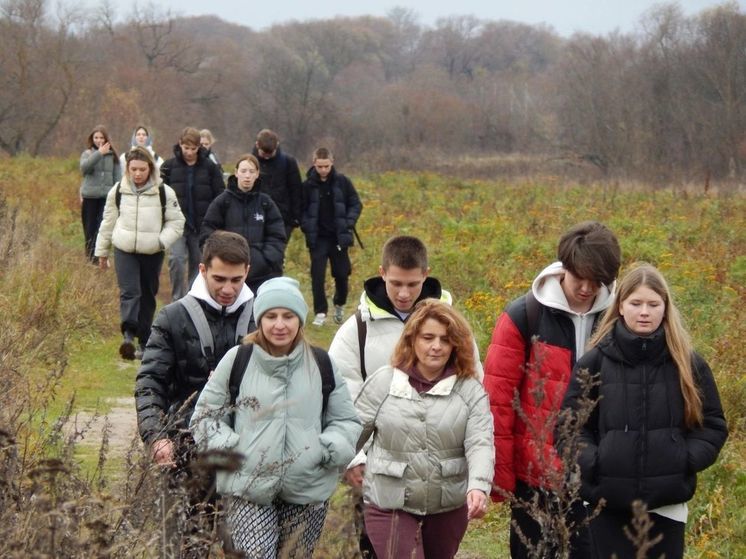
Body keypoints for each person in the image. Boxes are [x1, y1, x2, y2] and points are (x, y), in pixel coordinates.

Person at [329, 234, 484, 559]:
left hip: (442, 475)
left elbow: (473, 398)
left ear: (425, 275)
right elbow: (341, 400)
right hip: (381, 474)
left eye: (412, 284)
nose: (403, 293)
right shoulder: (356, 331)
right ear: (382, 272)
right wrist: (354, 460)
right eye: (396, 282)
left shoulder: (455, 330)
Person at [561, 263, 728, 559]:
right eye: (635, 303)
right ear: (620, 306)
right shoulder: (594, 362)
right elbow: (570, 428)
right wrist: (597, 463)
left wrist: (683, 459)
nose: (644, 312)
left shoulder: (688, 364)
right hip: (606, 505)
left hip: (667, 507)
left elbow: (712, 425)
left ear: (665, 308)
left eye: (653, 304)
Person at [190, 277, 362, 558]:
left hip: (307, 489)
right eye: (270, 316)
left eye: (288, 316)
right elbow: (205, 417)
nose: (279, 325)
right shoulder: (238, 360)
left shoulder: (321, 363)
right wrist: (233, 449)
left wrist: (325, 450)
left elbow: (346, 421)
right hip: (247, 489)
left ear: (300, 320)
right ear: (260, 319)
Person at [483, 221, 621, 558]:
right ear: (565, 268)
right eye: (580, 279)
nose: (587, 289)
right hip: (535, 475)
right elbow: (498, 398)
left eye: (597, 282)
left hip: (598, 472)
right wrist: (500, 478)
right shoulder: (524, 314)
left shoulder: (618, 317)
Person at [134, 230, 254, 557]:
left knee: (244, 547)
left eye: (236, 279)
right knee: (189, 544)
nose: (228, 288)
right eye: (219, 279)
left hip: (251, 448)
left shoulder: (266, 318)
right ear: (202, 270)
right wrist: (156, 437)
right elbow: (150, 383)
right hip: (187, 447)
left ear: (247, 271)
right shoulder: (173, 318)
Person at [354, 299, 494, 559]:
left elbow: (480, 442)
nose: (436, 346)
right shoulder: (383, 382)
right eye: (428, 337)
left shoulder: (470, 390)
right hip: (388, 501)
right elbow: (351, 433)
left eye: (445, 339)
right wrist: (352, 461)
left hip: (447, 504)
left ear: (455, 344)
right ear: (412, 339)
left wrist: (478, 486)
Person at [95, 146, 185, 360]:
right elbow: (108, 222)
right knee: (130, 291)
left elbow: (177, 222)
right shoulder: (118, 191)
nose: (137, 174)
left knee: (147, 294)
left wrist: (161, 242)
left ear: (150, 169)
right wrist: (102, 252)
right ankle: (128, 335)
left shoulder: (164, 192)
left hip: (152, 251)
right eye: (133, 169)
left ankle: (145, 340)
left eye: (142, 169)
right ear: (127, 169)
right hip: (124, 249)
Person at [200, 154, 287, 294]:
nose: (247, 176)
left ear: (257, 174)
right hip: (230, 273)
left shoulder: (266, 203)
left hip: (262, 275)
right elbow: (207, 233)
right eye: (243, 171)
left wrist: (266, 259)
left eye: (252, 172)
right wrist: (221, 259)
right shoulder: (222, 202)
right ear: (236, 172)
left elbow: (277, 235)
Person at [161, 126, 225, 301]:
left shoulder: (210, 167)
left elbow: (220, 195)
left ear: (199, 147)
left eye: (193, 149)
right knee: (176, 260)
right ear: (180, 145)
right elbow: (160, 196)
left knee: (199, 265)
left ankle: (192, 298)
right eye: (186, 148)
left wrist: (215, 221)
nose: (189, 152)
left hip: (201, 225)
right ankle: (177, 299)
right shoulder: (168, 167)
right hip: (176, 224)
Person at [301, 147, 362, 326]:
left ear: (332, 163)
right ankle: (320, 312)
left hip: (338, 237)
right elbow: (301, 209)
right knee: (317, 275)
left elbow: (356, 203)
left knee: (342, 274)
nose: (323, 170)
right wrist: (306, 225)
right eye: (320, 166)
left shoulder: (342, 182)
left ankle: (340, 304)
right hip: (318, 238)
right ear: (314, 164)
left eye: (326, 166)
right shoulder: (307, 186)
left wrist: (348, 222)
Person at [80, 124, 121, 263]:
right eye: (96, 137)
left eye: (101, 137)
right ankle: (90, 258)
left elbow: (118, 178)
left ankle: (100, 258)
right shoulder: (87, 154)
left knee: (102, 228)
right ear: (92, 139)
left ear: (106, 138)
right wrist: (99, 154)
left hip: (106, 198)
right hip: (90, 197)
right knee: (89, 228)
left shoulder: (113, 156)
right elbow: (84, 169)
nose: (99, 140)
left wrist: (117, 196)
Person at [253, 128, 303, 240]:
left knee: (276, 254)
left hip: (282, 219)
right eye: (263, 153)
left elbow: (296, 190)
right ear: (257, 145)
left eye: (270, 153)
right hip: (254, 218)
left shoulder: (288, 162)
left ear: (277, 145)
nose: (266, 156)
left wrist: (295, 218)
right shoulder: (248, 163)